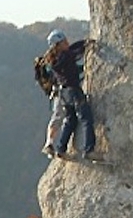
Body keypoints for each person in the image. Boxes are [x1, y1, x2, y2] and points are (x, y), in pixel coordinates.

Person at [40, 29, 96, 161]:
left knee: (71, 120)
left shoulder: (56, 59)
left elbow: (72, 63)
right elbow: (74, 52)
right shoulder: (66, 56)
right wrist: (86, 44)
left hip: (64, 94)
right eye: (64, 41)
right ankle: (89, 150)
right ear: (58, 45)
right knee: (86, 118)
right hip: (73, 91)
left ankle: (60, 148)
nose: (67, 42)